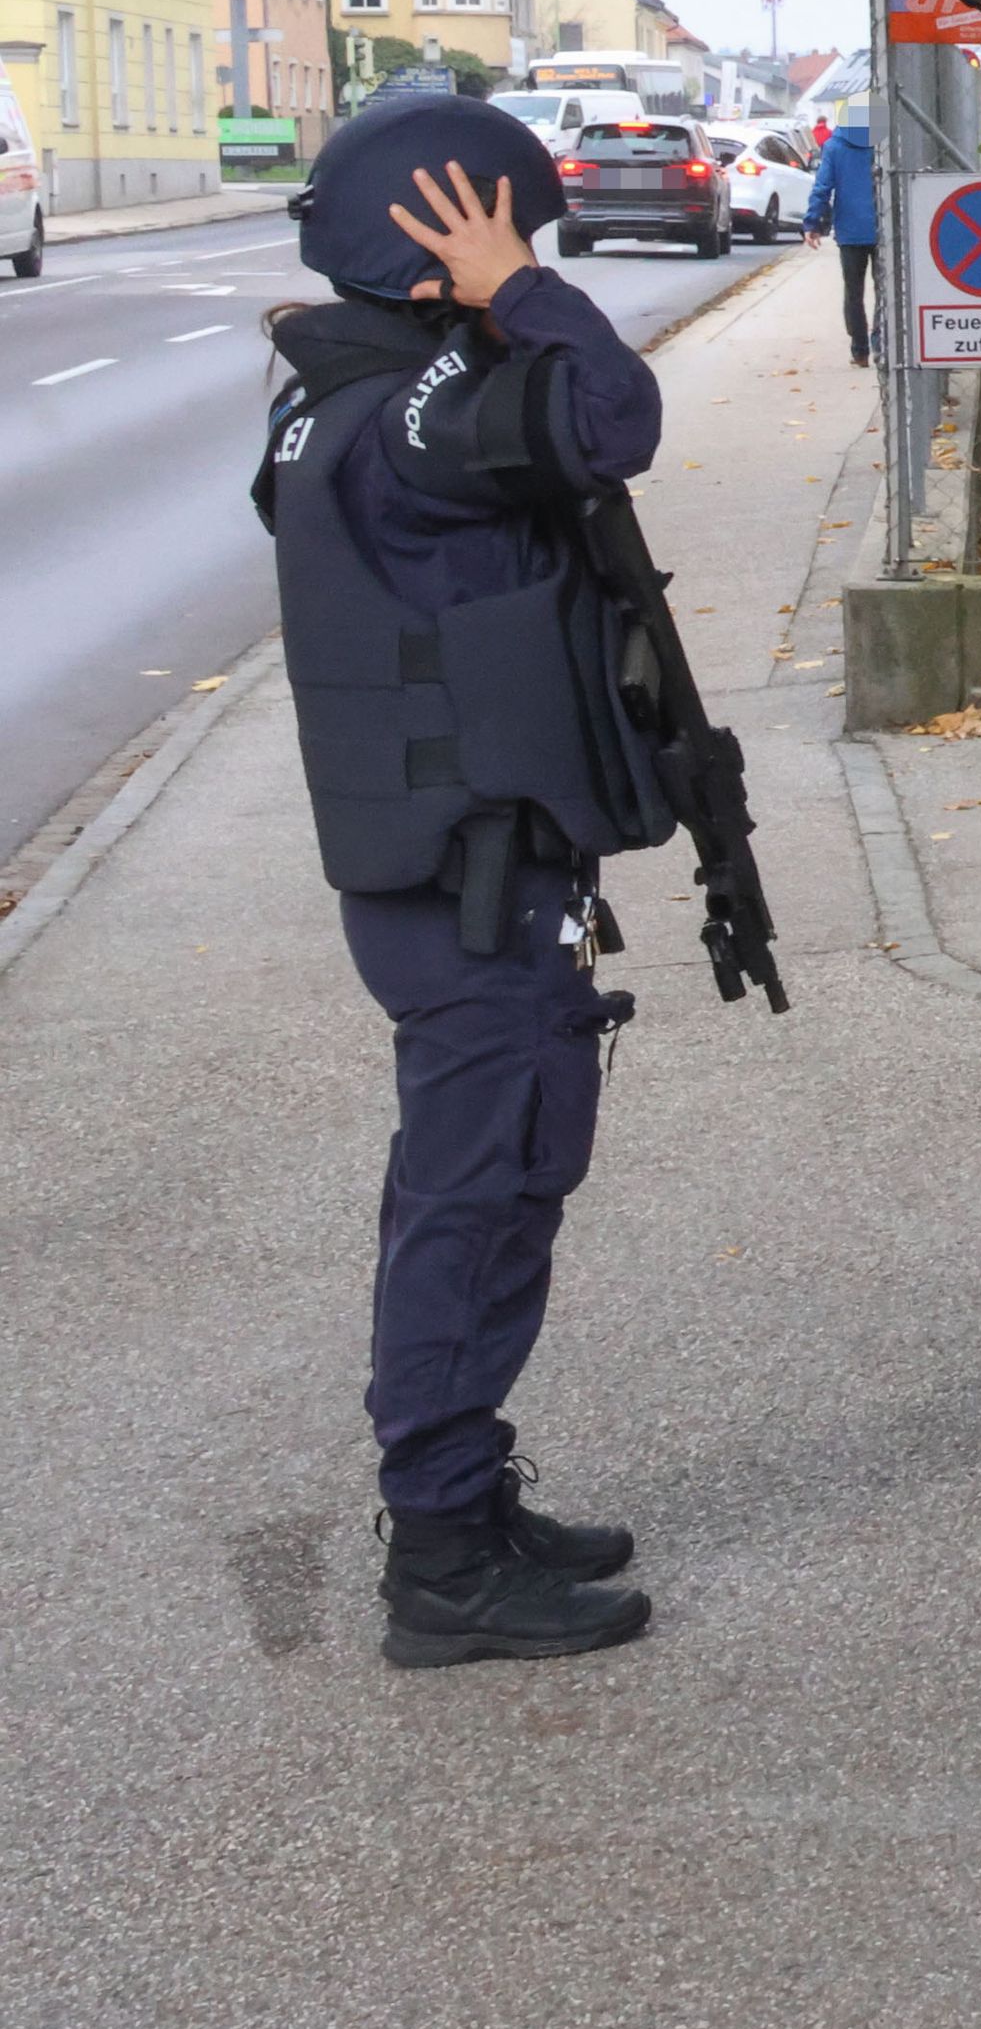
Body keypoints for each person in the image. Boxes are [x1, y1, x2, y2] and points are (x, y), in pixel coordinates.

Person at [254, 97, 674, 1668]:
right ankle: (439, 1555)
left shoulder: (335, 393)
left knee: (485, 1179)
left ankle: (468, 1499)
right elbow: (609, 417)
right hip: (468, 874)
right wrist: (517, 295)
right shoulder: (421, 406)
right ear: (444, 233)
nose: (538, 253)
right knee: (475, 1193)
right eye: (517, 228)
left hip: (448, 863)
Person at [800, 96, 880, 362]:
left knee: (853, 292)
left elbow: (823, 187)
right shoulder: (881, 145)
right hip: (884, 228)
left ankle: (860, 349)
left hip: (850, 230)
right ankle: (881, 343)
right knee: (887, 291)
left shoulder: (834, 147)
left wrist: (812, 223)